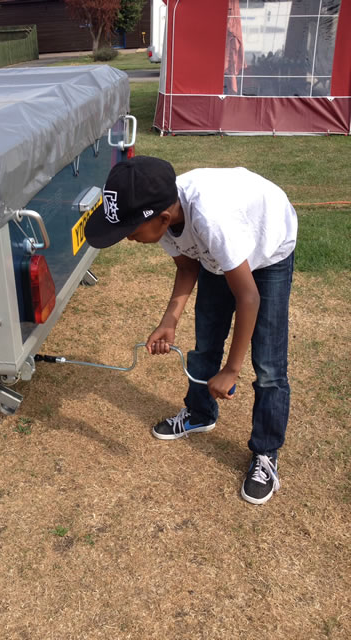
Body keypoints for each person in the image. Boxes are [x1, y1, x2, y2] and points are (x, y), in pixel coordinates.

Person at [85, 156, 297, 505]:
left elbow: (249, 297)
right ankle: (200, 414)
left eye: (130, 231)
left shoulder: (211, 220)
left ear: (163, 218)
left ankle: (266, 451)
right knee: (206, 342)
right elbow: (187, 267)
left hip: (268, 247)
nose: (128, 238)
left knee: (269, 366)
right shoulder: (164, 212)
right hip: (220, 253)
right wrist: (169, 321)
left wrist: (231, 370)